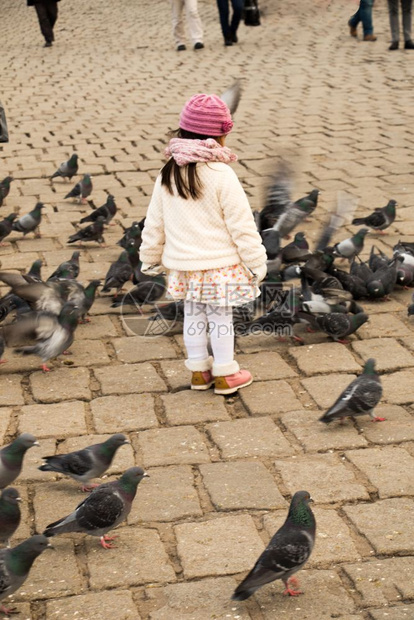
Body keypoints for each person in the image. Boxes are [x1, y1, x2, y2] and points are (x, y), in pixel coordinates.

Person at [140, 94, 267, 395]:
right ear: (221, 135)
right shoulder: (222, 174)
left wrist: (149, 256)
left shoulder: (168, 172)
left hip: (184, 266)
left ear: (181, 131)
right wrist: (257, 262)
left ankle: (199, 371)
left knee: (193, 315)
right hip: (218, 265)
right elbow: (242, 226)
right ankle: (225, 373)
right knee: (220, 317)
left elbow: (154, 221)